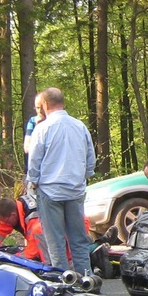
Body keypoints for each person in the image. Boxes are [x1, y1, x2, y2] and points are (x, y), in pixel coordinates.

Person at [25, 87, 96, 276]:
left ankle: (64, 284)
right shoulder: (80, 126)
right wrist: (83, 177)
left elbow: (34, 161)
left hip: (50, 191)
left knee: (55, 242)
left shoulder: (42, 128)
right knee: (79, 240)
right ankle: (86, 279)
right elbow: (91, 159)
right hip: (75, 191)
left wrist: (32, 182)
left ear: (46, 104)